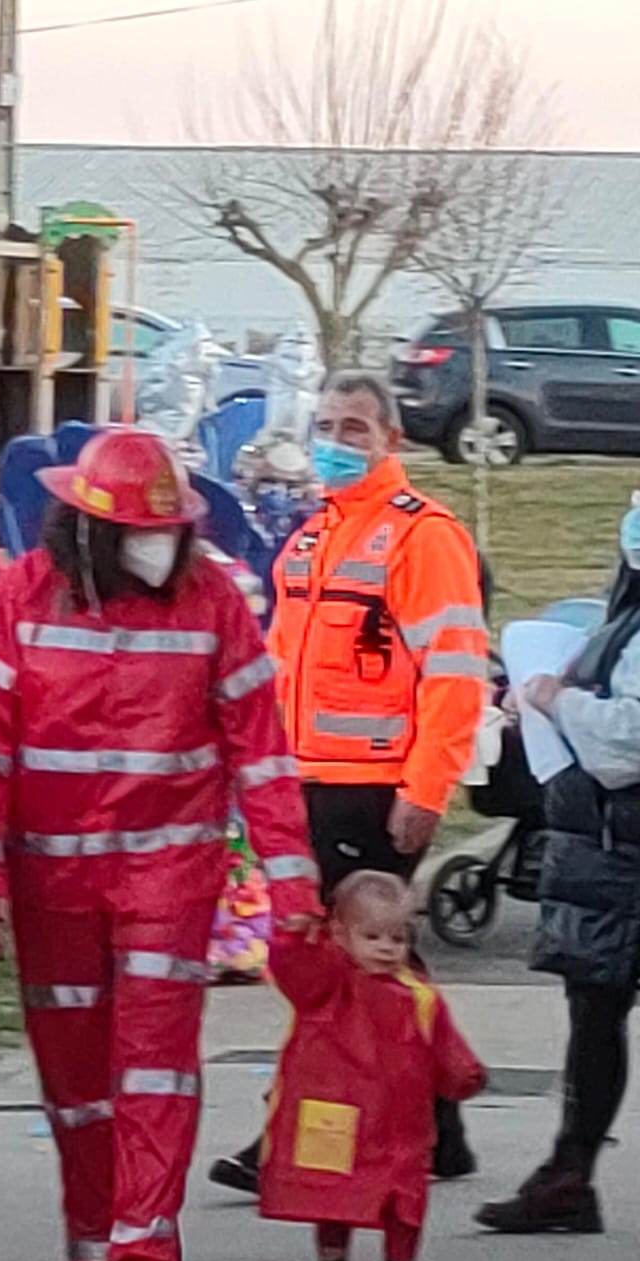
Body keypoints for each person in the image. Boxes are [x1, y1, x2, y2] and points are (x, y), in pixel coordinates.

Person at [0, 427, 321, 1261]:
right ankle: (96, 1256)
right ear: (88, 531)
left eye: (171, 530)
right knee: (76, 1083)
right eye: (142, 533)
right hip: (51, 880)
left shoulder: (215, 601)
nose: (161, 549)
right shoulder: (23, 598)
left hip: (166, 875)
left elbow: (260, 752)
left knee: (152, 1070)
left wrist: (292, 886)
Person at [210, 370, 489, 1195]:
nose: (336, 441)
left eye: (355, 428)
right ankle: (438, 1119)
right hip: (306, 780)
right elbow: (279, 668)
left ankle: (300, 1130)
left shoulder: (422, 537)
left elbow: (456, 673)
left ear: (390, 440)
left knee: (351, 960)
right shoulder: (312, 536)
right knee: (369, 960)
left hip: (373, 786)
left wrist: (427, 788)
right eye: (327, 425)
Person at [476, 508, 640, 1235]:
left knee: (597, 1009)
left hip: (619, 840)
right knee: (594, 1008)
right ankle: (569, 1174)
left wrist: (555, 700)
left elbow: (626, 743)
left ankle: (570, 1173)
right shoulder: (624, 618)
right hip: (604, 845)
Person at [259, 873, 485, 1261]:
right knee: (332, 1200)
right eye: (372, 936)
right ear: (339, 934)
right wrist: (293, 931)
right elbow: (291, 966)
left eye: (398, 938)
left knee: (404, 1203)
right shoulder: (327, 985)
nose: (386, 947)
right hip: (336, 1118)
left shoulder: (420, 996)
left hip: (400, 1127)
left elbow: (445, 1046)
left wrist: (464, 1075)